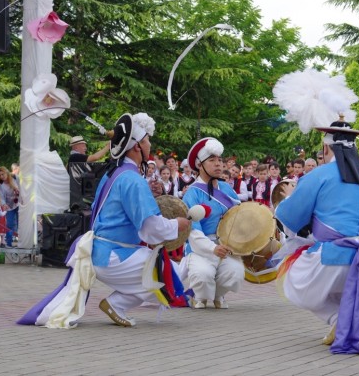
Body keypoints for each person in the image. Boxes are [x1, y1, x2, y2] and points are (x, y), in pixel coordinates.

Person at [272, 70, 359, 356]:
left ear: (327, 148)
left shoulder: (319, 175)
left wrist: (286, 203)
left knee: (290, 277)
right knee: (335, 276)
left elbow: (289, 216)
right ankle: (350, 320)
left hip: (335, 258)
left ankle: (337, 318)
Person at [19, 113, 191, 328]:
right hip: (112, 256)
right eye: (147, 140)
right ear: (137, 146)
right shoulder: (131, 179)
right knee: (165, 272)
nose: (150, 144)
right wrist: (177, 224)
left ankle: (116, 303)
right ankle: (115, 304)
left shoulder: (114, 173)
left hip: (103, 252)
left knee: (159, 269)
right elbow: (150, 228)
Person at [182, 137, 244, 310]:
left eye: (220, 160)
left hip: (226, 245)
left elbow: (239, 217)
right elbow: (192, 232)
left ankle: (217, 295)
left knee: (236, 274)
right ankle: (199, 295)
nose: (218, 164)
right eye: (212, 160)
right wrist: (212, 248)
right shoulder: (192, 193)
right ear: (199, 165)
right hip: (201, 248)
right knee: (202, 275)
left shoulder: (227, 189)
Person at [0, 166, 19, 247]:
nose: (1, 176)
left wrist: (19, 191)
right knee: (9, 224)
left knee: (20, 223)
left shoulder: (15, 178)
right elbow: (1, 196)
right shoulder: (1, 184)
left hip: (19, 204)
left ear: (7, 173)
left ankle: (21, 243)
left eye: (2, 174)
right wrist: (4, 204)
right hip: (9, 206)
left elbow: (23, 188)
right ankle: (8, 243)